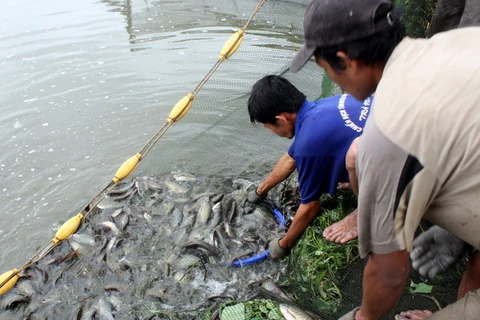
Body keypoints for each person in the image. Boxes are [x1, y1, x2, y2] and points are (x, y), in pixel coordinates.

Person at [290, 0, 480, 319]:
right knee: (357, 152)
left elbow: (389, 275)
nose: (335, 83)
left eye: (326, 70)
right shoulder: (457, 42)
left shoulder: (390, 132)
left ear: (344, 61)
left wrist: (362, 317)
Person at [247, 75, 373, 260]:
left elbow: (310, 207)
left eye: (268, 127)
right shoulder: (321, 107)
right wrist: (261, 191)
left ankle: (366, 213)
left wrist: (283, 245)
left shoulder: (309, 144)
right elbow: (290, 160)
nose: (271, 132)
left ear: (281, 119)